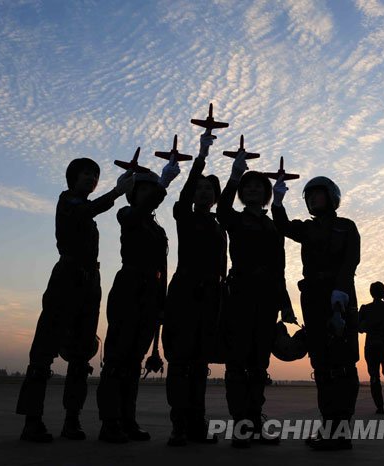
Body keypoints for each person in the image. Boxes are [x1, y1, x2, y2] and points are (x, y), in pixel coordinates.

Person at [16, 158, 134, 442]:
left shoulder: (86, 208)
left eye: (95, 174)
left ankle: (72, 420)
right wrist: (117, 193)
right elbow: (88, 210)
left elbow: (91, 211)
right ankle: (32, 421)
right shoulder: (68, 201)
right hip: (67, 278)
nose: (92, 178)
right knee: (44, 351)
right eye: (86, 173)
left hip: (89, 281)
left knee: (81, 354)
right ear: (72, 177)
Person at [272, 175, 360, 451]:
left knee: (344, 364)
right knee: (321, 365)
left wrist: (340, 293)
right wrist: (277, 199)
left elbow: (350, 261)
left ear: (331, 196)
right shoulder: (306, 229)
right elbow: (282, 225)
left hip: (341, 298)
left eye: (317, 194)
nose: (312, 199)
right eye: (308, 196)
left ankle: (341, 429)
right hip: (313, 300)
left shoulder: (347, 227)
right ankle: (329, 426)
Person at [96, 158, 180, 443]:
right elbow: (136, 213)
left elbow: (163, 270)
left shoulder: (158, 230)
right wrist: (163, 185)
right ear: (134, 194)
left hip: (150, 294)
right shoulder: (127, 214)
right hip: (129, 289)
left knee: (134, 362)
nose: (150, 195)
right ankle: (110, 422)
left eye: (152, 191)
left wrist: (162, 305)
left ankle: (127, 419)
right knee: (117, 359)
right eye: (144, 190)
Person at [217, 151, 294, 448]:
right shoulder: (234, 220)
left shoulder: (274, 226)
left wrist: (285, 303)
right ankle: (241, 425)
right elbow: (222, 210)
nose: (252, 190)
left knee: (259, 365)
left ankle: (255, 419)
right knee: (237, 363)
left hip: (267, 299)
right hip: (240, 297)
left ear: (265, 193)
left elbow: (280, 268)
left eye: (258, 187)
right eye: (247, 187)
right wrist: (235, 175)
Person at [163, 131, 227, 446]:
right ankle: (179, 425)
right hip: (184, 294)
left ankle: (197, 423)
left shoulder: (219, 228)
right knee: (180, 362)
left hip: (211, 298)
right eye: (200, 189)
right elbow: (185, 194)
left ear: (216, 197)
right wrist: (200, 158)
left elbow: (222, 268)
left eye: (209, 190)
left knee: (200, 365)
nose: (203, 193)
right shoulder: (183, 218)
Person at [358, 282, 384, 415]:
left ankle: (380, 407)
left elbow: (359, 328)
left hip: (371, 344)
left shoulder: (365, 308)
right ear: (383, 293)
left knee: (374, 377)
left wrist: (368, 326)